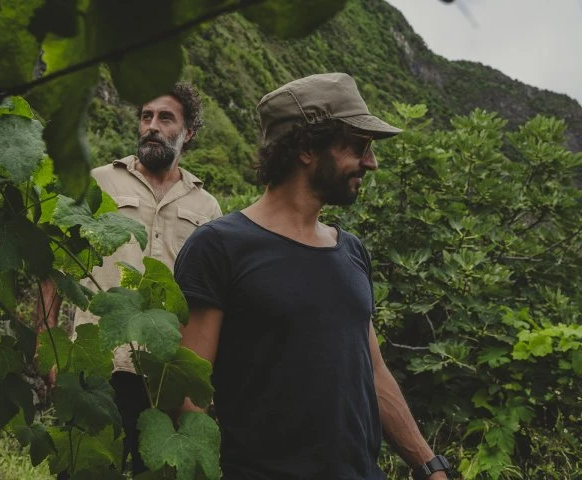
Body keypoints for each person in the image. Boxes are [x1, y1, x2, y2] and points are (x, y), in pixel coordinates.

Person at [173, 73, 451, 480]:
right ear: (306, 147)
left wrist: (430, 466)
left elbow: (372, 370)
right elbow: (188, 398)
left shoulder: (351, 250)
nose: (371, 162)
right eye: (358, 146)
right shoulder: (218, 247)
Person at [36, 81, 222, 474]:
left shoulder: (207, 207)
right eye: (146, 116)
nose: (151, 125)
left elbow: (212, 297)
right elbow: (53, 260)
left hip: (166, 376)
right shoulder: (97, 182)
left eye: (165, 118)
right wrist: (46, 341)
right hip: (99, 364)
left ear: (187, 133)